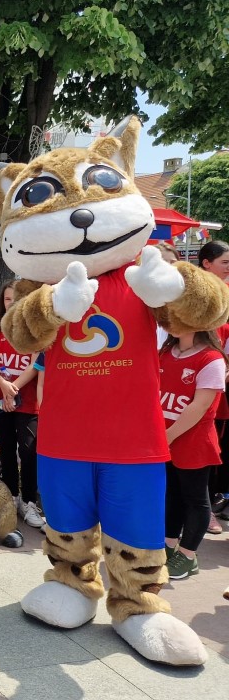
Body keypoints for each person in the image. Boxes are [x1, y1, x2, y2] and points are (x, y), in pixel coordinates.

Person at [159, 326, 226, 579]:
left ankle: (188, 556)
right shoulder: (166, 352)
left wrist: (169, 436)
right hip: (166, 439)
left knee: (195, 499)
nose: (170, 322)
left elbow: (199, 406)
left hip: (193, 442)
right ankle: (168, 544)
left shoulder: (211, 358)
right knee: (172, 494)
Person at [0, 281, 43, 528]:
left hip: (26, 397)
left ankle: (29, 501)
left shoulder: (34, 329)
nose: (12, 303)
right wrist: (3, 386)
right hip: (0, 394)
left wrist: (13, 388)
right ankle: (11, 497)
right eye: (7, 299)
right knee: (6, 448)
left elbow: (35, 364)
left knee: (29, 450)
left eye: (17, 298)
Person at [198, 240, 229, 533]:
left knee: (210, 453)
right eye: (225, 262)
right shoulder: (194, 298)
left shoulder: (225, 299)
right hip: (185, 387)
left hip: (215, 390)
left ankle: (206, 507)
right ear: (207, 263)